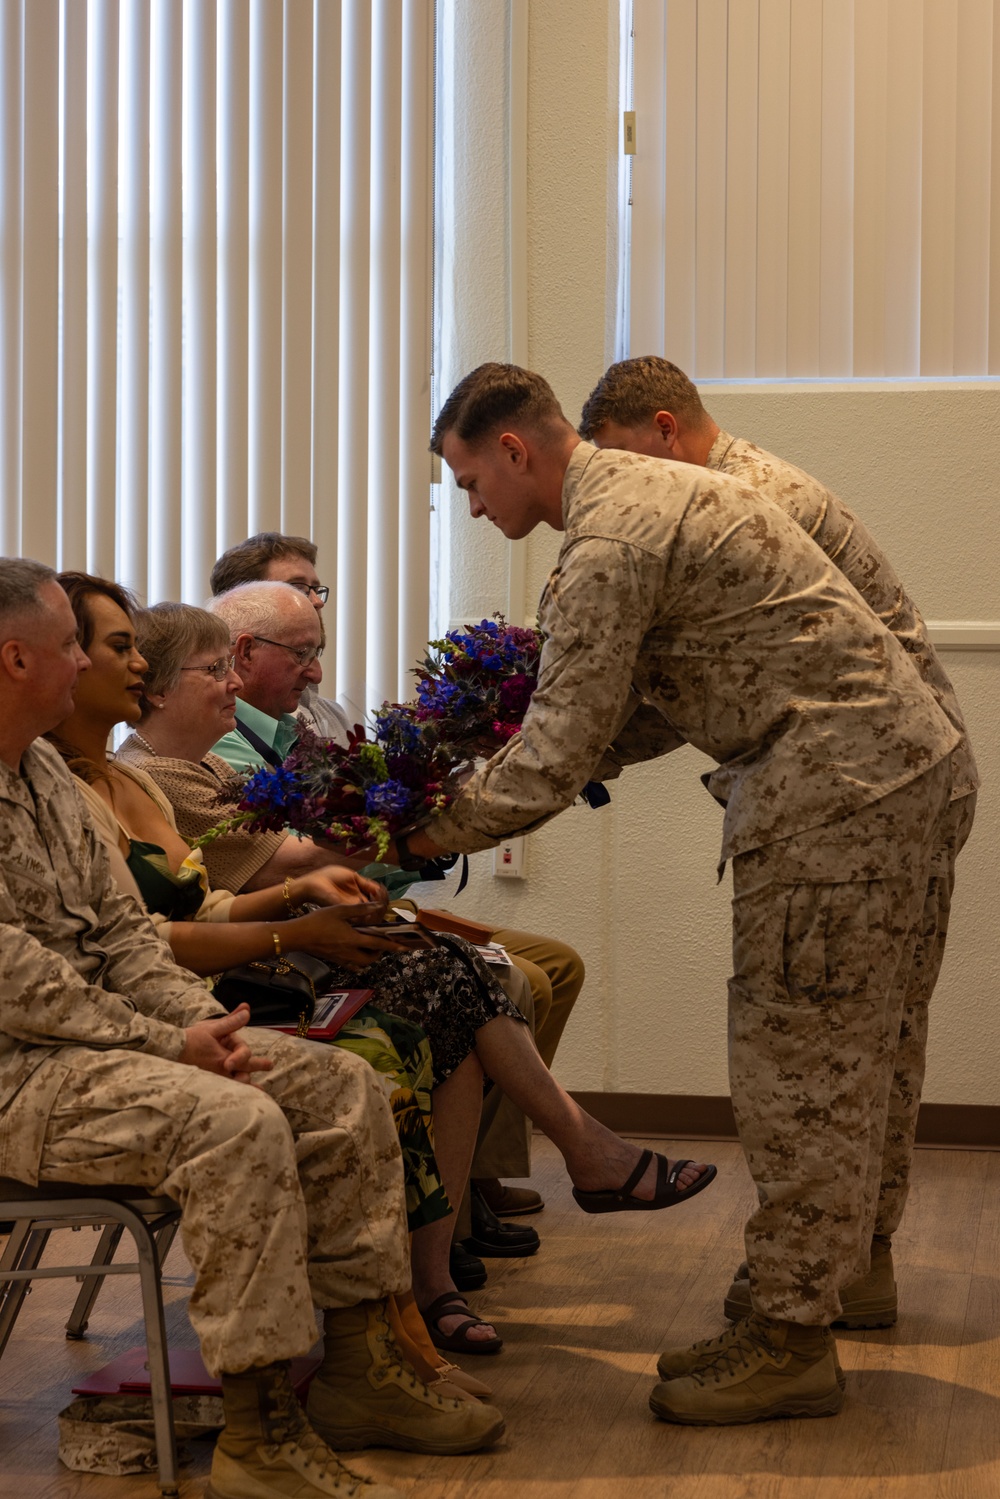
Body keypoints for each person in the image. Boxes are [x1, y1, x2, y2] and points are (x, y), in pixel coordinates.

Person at [395, 362, 961, 1427]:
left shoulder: (610, 538)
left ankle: (790, 1338)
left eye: (472, 482)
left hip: (835, 801)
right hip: (884, 779)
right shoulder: (666, 497)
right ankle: (840, 1275)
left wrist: (422, 826)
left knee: (800, 1068)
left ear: (516, 450)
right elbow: (654, 704)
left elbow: (563, 746)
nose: (473, 506)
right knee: (859, 1054)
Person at [0, 557, 505, 1499]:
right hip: (20, 1075)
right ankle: (257, 1428)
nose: (90, 666)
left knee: (337, 1084)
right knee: (232, 1122)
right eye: (72, 644)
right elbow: (17, 981)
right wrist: (169, 1046)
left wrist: (205, 1025)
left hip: (99, 1051)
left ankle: (359, 1368)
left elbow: (124, 935)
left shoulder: (46, 778)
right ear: (15, 657)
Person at [113, 588, 716, 1354]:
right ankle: (541, 1186)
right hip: (241, 986)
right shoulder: (169, 778)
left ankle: (444, 1267)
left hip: (283, 951)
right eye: (214, 669)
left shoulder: (199, 769)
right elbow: (302, 857)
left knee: (456, 993)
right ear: (159, 688)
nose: (232, 683)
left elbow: (301, 860)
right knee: (453, 979)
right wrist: (457, 796)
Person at [579, 354, 980, 1331]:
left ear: (664, 428)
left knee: (816, 1056)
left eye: (628, 460)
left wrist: (579, 735)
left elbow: (754, 669)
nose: (630, 490)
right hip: (918, 777)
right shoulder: (763, 485)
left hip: (855, 797)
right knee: (874, 1042)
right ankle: (860, 1260)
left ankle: (812, 1287)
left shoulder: (739, 501)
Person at [209, 535, 587, 1226]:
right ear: (241, 644)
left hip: (375, 907)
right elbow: (313, 856)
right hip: (312, 939)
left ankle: (474, 1177)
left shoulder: (313, 718)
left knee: (552, 966)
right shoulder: (218, 740)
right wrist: (424, 835)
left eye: (318, 596)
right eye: (299, 638)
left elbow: (358, 826)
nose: (316, 662)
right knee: (514, 981)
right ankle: (471, 1192)